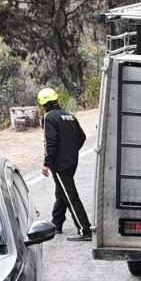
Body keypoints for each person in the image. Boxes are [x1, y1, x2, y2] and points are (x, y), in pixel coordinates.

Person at [40, 87, 92, 241]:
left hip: (60, 164)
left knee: (70, 195)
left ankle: (85, 229)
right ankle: (56, 224)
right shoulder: (69, 116)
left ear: (44, 104)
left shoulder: (49, 117)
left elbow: (51, 141)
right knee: (61, 192)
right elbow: (81, 137)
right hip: (71, 161)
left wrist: (47, 163)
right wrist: (71, 151)